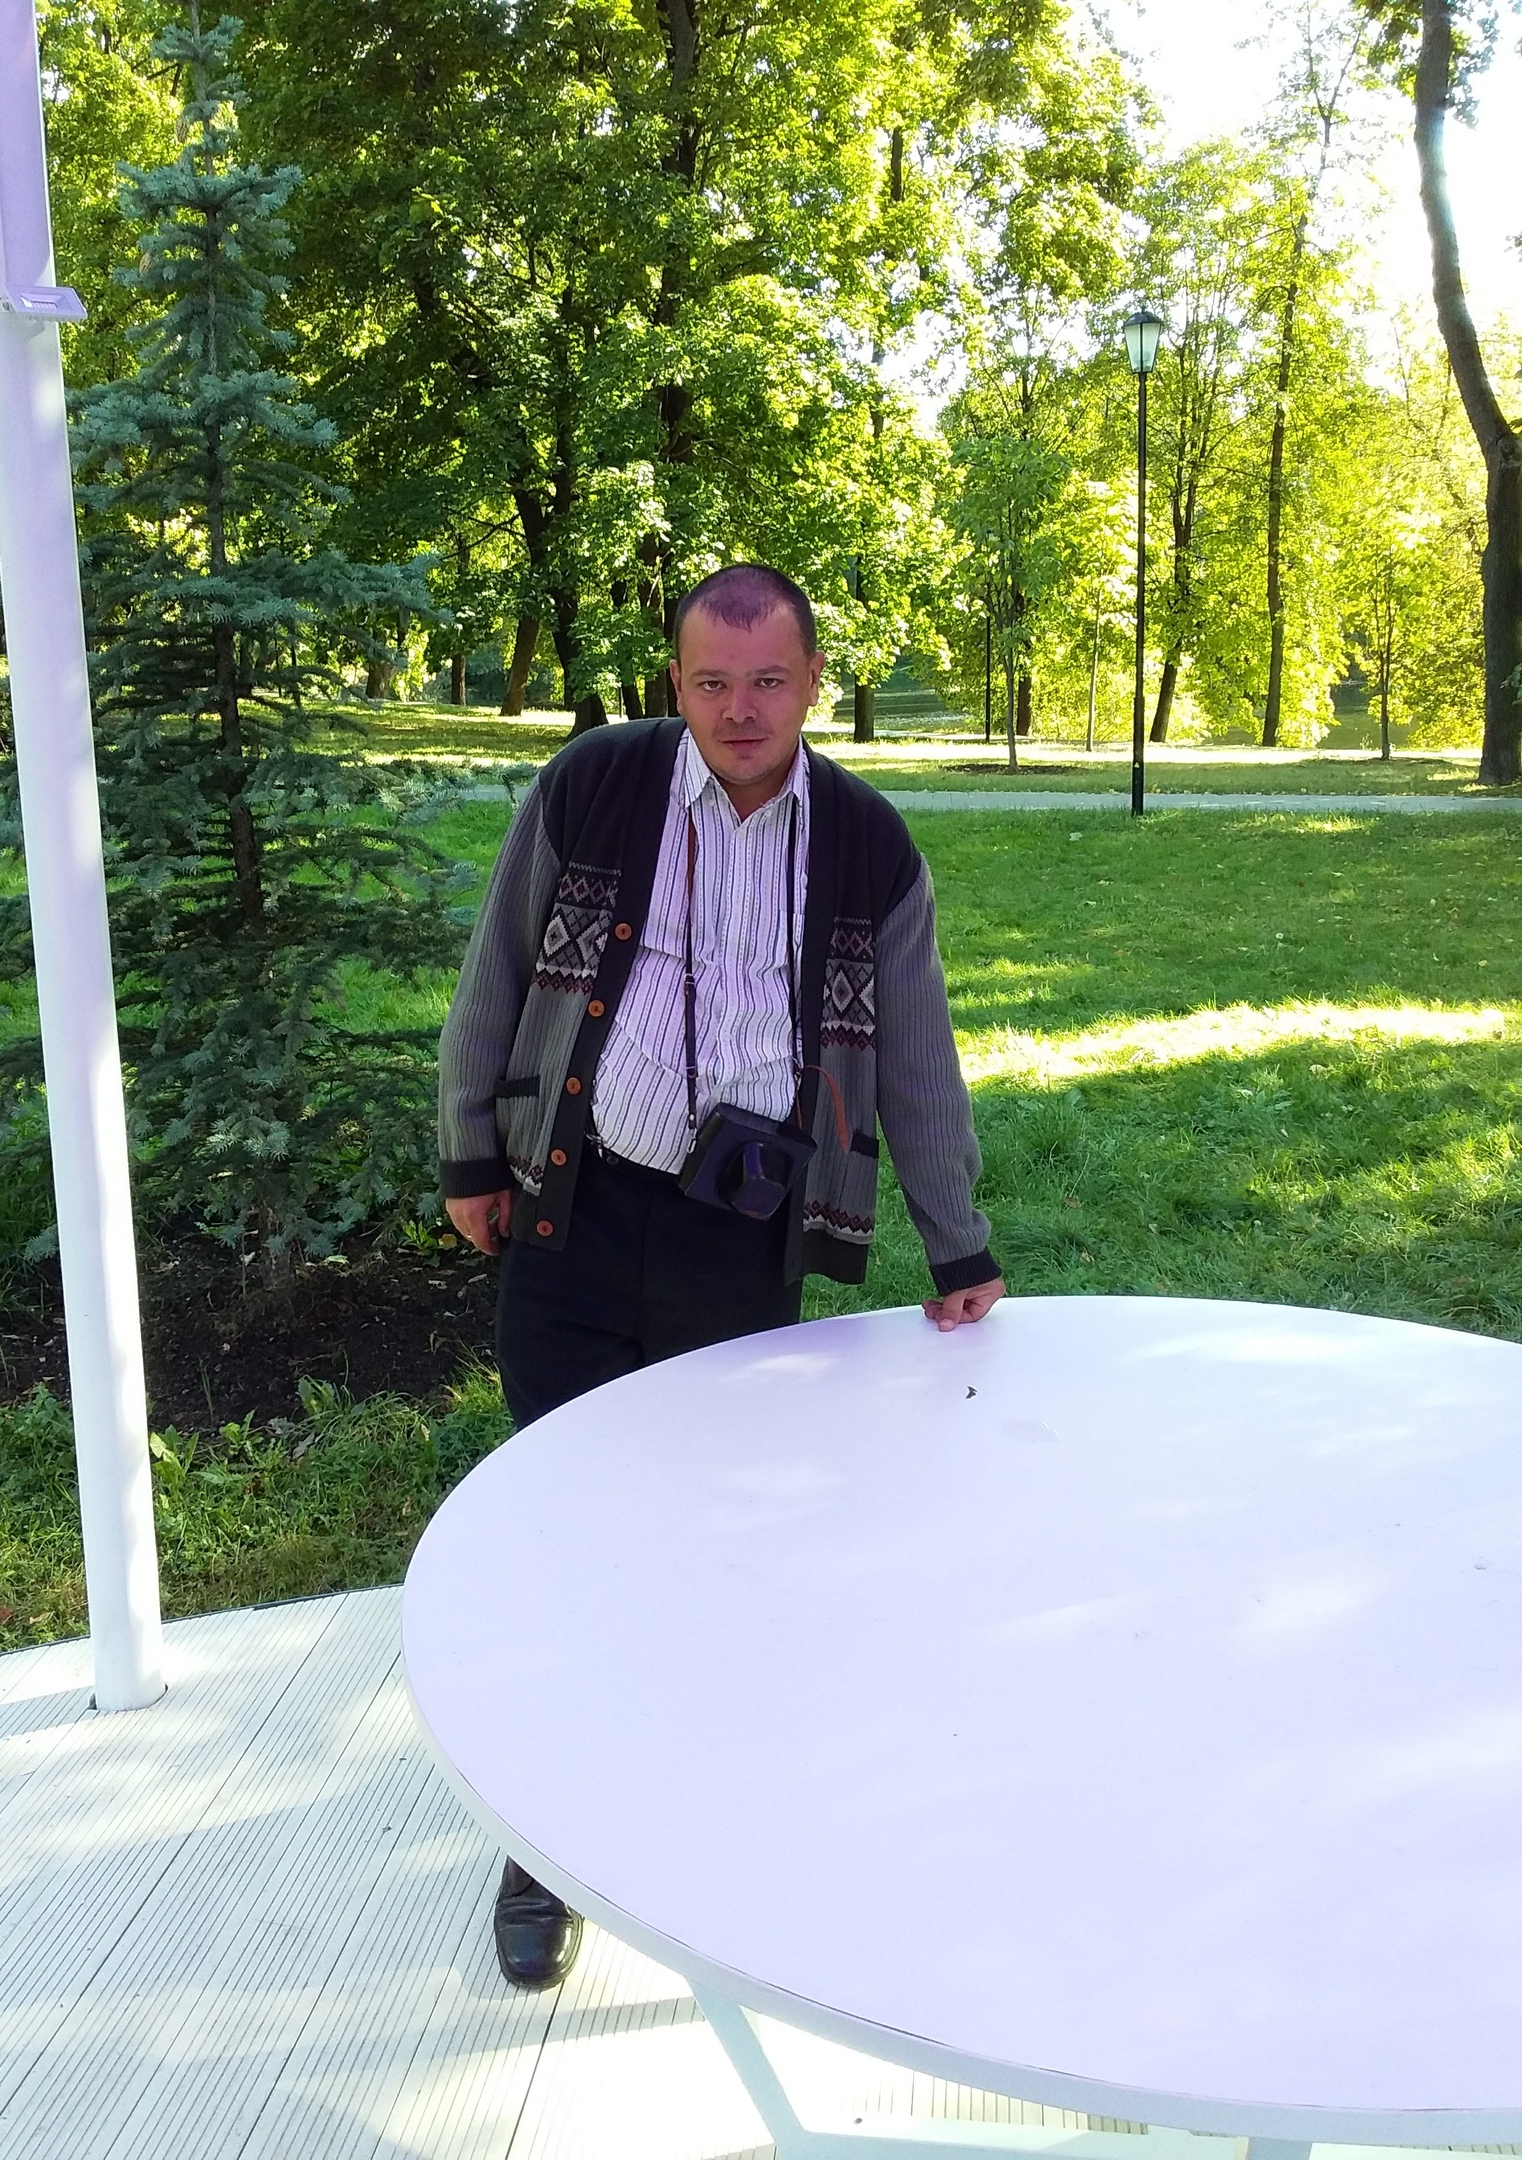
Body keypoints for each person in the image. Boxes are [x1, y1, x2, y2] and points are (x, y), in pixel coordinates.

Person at [438, 563, 1004, 1988]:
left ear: (811, 681)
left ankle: (701, 1811)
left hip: (738, 1239)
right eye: (710, 682)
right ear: (675, 682)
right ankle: (545, 1843)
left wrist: (956, 1239)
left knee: (719, 1537)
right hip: (572, 1211)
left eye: (767, 681)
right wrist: (470, 1155)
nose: (739, 711)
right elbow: (496, 973)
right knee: (566, 1532)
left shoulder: (866, 844)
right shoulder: (596, 788)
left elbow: (917, 1051)